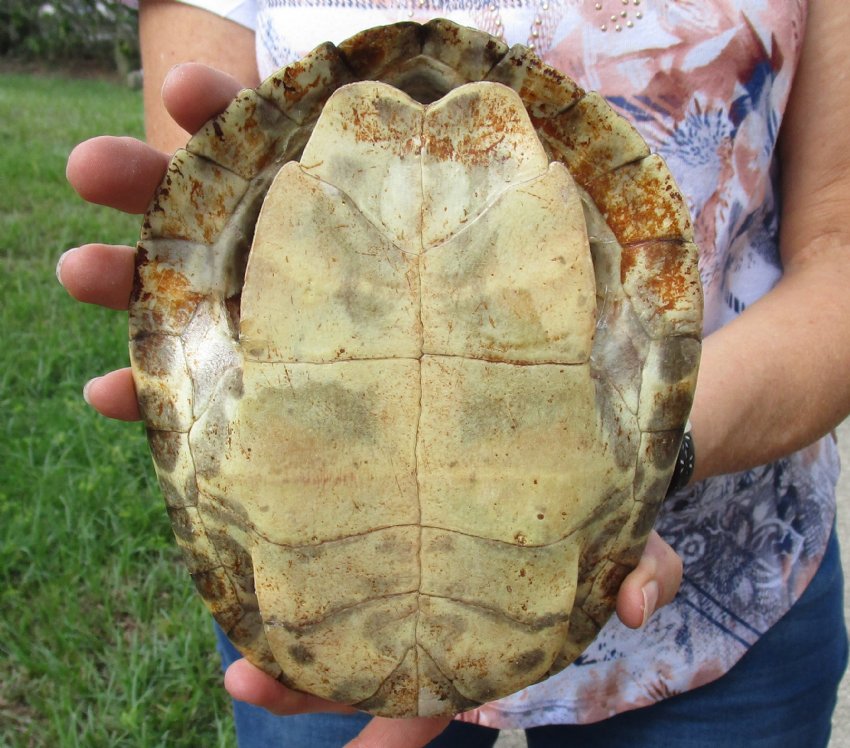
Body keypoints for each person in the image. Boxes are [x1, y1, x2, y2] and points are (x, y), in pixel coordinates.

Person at [58, 0, 850, 745]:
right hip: (319, 616)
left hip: (736, 582)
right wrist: (633, 466)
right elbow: (206, 311)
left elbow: (195, 305)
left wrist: (657, 455)